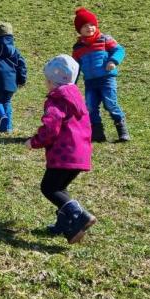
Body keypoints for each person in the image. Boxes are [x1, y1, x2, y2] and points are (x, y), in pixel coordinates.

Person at [27, 55, 96, 244]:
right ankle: (65, 225)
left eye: (46, 80)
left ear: (51, 81)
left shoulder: (56, 100)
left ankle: (80, 215)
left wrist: (34, 141)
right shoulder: (77, 98)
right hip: (80, 154)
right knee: (60, 188)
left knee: (48, 188)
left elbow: (51, 127)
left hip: (63, 154)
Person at [72, 8, 130, 142]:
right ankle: (98, 133)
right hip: (90, 82)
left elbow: (119, 50)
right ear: (79, 30)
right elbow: (75, 66)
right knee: (90, 107)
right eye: (85, 26)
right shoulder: (77, 48)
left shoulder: (104, 39)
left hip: (106, 79)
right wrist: (72, 83)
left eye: (91, 25)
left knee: (110, 103)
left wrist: (113, 61)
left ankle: (122, 130)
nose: (89, 28)